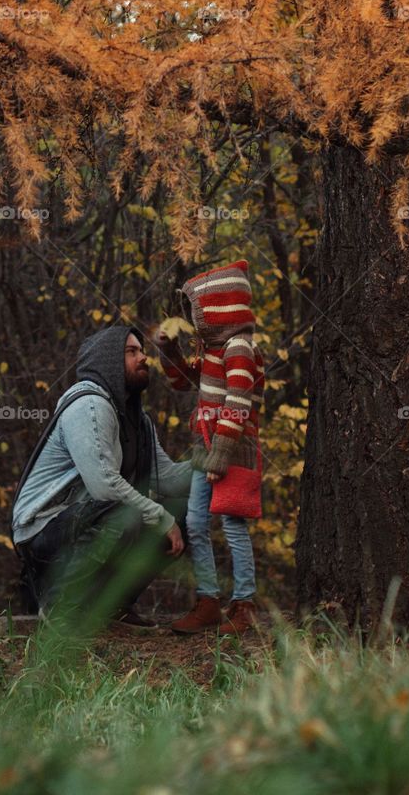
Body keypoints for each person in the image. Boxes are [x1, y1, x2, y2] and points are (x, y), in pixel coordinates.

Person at [11, 324, 192, 629]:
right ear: (108, 360)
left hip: (88, 520)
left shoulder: (138, 421)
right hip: (42, 530)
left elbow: (170, 478)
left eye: (142, 351)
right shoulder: (88, 405)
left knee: (186, 512)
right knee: (126, 509)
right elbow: (104, 485)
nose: (143, 358)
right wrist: (160, 517)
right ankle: (60, 606)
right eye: (131, 352)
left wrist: (212, 460)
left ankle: (114, 606)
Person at [156, 258, 264, 636]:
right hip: (206, 448)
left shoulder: (239, 348)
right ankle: (207, 602)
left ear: (218, 310)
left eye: (197, 310)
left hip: (233, 449)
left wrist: (221, 455)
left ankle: (245, 604)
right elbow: (184, 383)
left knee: (232, 524)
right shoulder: (214, 351)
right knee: (196, 522)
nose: (193, 318)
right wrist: (169, 351)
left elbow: (239, 403)